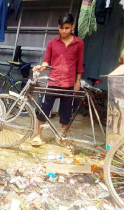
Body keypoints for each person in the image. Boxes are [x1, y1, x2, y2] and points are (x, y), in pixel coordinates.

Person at [32, 14, 84, 146]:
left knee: (66, 112)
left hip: (68, 84)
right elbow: (47, 61)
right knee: (44, 109)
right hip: (53, 82)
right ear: (58, 27)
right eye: (61, 28)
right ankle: (38, 135)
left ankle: (62, 137)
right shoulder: (52, 43)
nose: (64, 31)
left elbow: (79, 64)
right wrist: (40, 67)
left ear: (72, 26)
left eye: (67, 28)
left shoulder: (79, 43)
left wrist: (78, 82)